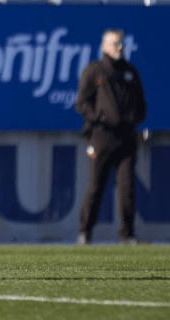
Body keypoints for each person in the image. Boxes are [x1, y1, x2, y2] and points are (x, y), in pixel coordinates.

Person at [75, 28, 147, 245]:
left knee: (127, 188)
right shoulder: (95, 70)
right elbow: (81, 102)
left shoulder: (130, 72)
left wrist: (134, 118)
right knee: (96, 187)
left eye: (122, 44)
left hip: (126, 138)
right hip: (102, 136)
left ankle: (127, 234)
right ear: (105, 46)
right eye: (116, 44)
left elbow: (142, 102)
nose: (120, 48)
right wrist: (99, 116)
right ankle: (84, 232)